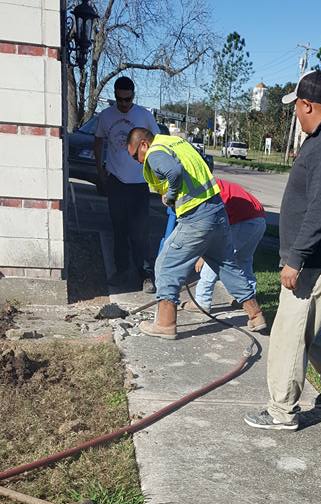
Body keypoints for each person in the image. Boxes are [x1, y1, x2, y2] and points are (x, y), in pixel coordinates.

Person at [244, 70, 321, 431]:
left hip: (314, 265)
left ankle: (281, 411)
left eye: (296, 106)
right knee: (304, 332)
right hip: (315, 262)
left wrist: (295, 259)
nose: (295, 113)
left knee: (288, 337)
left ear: (308, 104)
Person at [126, 128, 266, 339]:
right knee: (227, 265)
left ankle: (164, 324)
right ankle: (256, 315)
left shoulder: (155, 152)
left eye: (136, 155)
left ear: (144, 144)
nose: (138, 161)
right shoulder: (176, 143)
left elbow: (173, 172)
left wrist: (171, 195)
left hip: (196, 217)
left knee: (166, 264)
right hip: (217, 210)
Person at [95, 77, 158, 292]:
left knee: (140, 232)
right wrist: (100, 169)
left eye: (128, 99)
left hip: (139, 183)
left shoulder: (144, 115)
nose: (124, 104)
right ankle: (121, 270)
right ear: (115, 96)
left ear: (133, 95)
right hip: (116, 182)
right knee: (119, 230)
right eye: (120, 99)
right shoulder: (106, 116)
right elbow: (98, 141)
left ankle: (146, 274)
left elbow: (156, 144)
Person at [180, 178, 266, 312]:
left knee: (217, 259)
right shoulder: (214, 183)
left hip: (242, 221)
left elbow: (210, 223)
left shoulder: (206, 191)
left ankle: (202, 300)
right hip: (258, 219)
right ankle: (247, 298)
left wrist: (203, 254)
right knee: (244, 260)